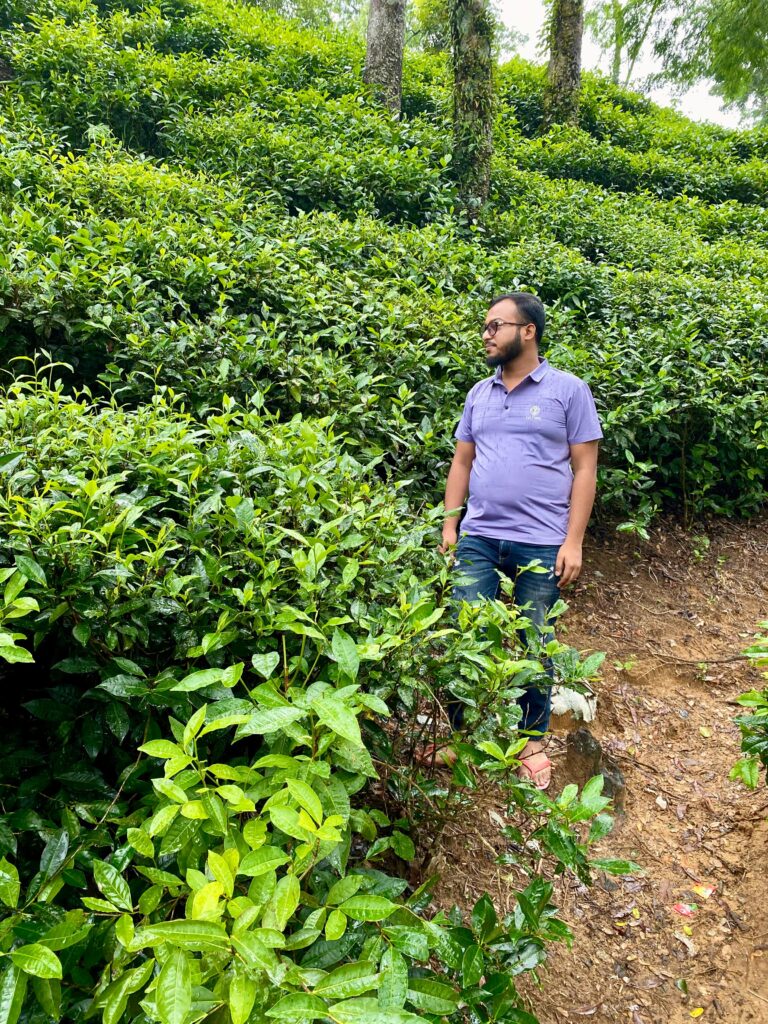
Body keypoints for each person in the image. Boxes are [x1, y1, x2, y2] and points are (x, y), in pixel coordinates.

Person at [438, 292, 602, 789]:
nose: (486, 334)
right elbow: (462, 462)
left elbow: (585, 467)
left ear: (527, 330)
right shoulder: (478, 394)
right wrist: (451, 525)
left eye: (495, 325)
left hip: (540, 541)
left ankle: (530, 741)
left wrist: (572, 542)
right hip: (480, 537)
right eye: (485, 326)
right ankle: (457, 736)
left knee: (535, 638)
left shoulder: (567, 390)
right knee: (466, 635)